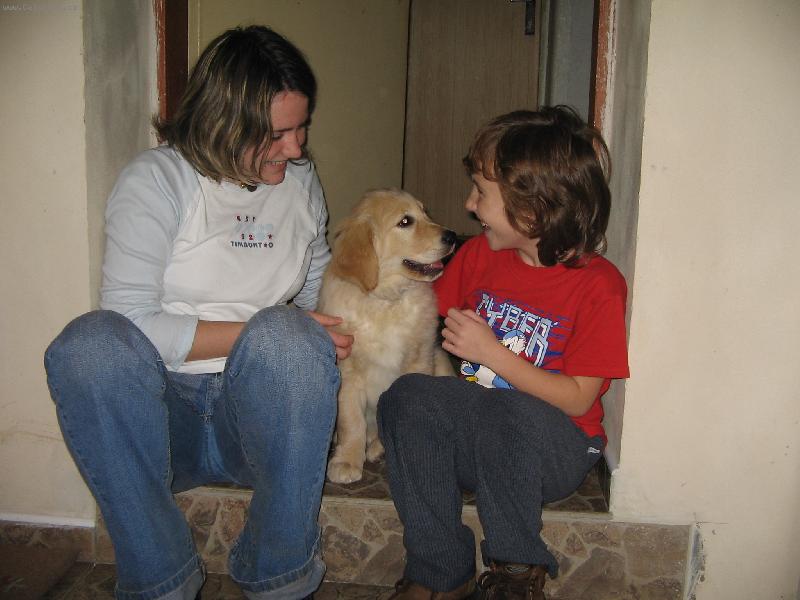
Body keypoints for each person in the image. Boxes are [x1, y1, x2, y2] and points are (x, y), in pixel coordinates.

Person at [44, 25, 353, 600]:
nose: (296, 149)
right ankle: (160, 580)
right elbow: (133, 324)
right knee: (88, 345)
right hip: (165, 419)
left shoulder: (301, 181)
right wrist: (259, 332)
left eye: (301, 127)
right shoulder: (157, 179)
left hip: (255, 420)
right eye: (275, 134)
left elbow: (320, 288)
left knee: (289, 337)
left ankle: (279, 575)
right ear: (221, 122)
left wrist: (343, 335)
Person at [377, 106, 630, 600]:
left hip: (555, 451)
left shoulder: (598, 285)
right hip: (480, 442)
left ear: (532, 210)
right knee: (407, 396)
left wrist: (492, 354)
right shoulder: (478, 257)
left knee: (506, 408)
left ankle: (515, 572)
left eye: (481, 192)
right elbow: (420, 314)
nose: (469, 205)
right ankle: (439, 571)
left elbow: (579, 399)